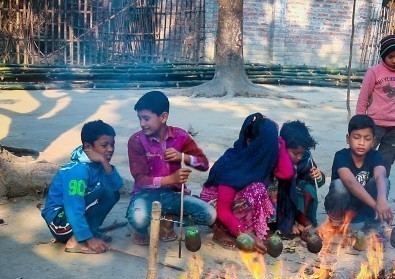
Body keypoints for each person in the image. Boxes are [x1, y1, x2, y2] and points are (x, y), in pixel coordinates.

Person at [126, 91, 216, 245]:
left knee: (209, 215)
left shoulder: (180, 136)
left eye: (146, 118)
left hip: (173, 195)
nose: (142, 123)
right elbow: (140, 180)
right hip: (145, 195)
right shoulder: (136, 140)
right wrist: (170, 179)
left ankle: (167, 218)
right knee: (139, 220)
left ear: (163, 117)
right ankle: (141, 227)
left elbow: (203, 164)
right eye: (140, 118)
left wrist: (183, 157)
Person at [200, 113, 294, 253]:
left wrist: (281, 144)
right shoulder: (232, 163)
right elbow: (223, 211)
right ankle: (221, 231)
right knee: (257, 188)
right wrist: (246, 235)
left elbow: (286, 173)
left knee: (273, 186)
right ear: (250, 142)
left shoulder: (261, 160)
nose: (271, 152)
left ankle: (248, 229)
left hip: (238, 203)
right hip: (215, 208)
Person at [41, 120, 122, 254]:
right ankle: (76, 241)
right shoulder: (77, 171)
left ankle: (86, 233)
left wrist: (103, 161)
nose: (111, 149)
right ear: (87, 146)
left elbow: (116, 185)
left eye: (112, 144)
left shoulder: (98, 163)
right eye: (104, 145)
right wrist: (90, 239)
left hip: (70, 218)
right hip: (60, 222)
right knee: (104, 193)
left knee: (112, 193)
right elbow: (73, 206)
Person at [356, 34, 395, 177]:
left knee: (386, 160)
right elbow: (364, 97)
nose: (394, 60)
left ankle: (380, 186)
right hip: (374, 125)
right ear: (383, 55)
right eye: (390, 57)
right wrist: (359, 123)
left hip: (394, 127)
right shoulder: (373, 72)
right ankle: (361, 182)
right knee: (366, 155)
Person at [324, 114, 393, 230]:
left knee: (384, 181)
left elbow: (380, 175)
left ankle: (374, 221)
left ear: (373, 141)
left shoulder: (375, 155)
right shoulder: (341, 155)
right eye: (356, 137)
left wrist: (382, 199)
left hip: (363, 208)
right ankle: (335, 221)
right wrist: (376, 205)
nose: (361, 143)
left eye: (367, 139)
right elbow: (349, 181)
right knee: (340, 186)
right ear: (348, 138)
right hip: (344, 206)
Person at [276, 120, 326, 237]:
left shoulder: (307, 158)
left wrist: (319, 177)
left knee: (309, 188)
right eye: (295, 153)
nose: (299, 157)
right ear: (284, 146)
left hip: (299, 197)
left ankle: (303, 220)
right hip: (282, 199)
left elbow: (317, 183)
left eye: (302, 153)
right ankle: (289, 222)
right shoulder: (276, 157)